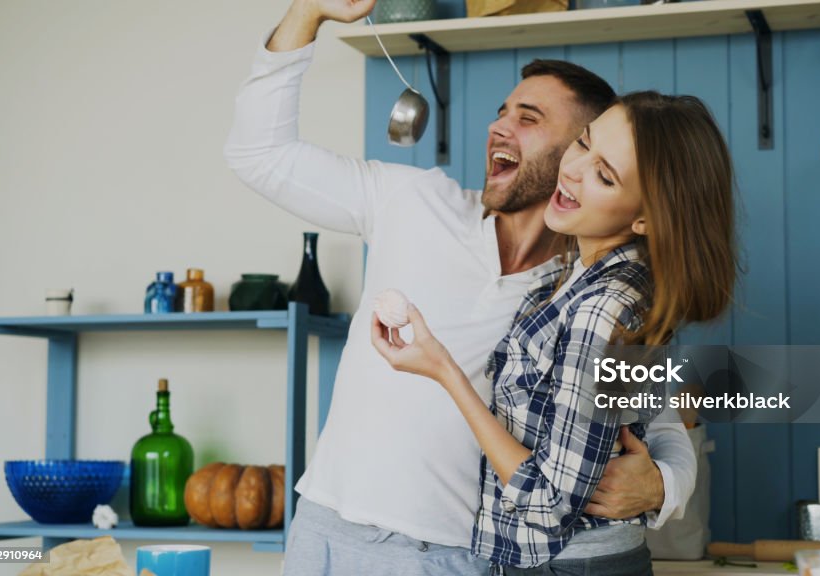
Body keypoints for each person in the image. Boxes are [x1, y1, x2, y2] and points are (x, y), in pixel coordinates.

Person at [223, 0, 698, 572]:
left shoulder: (585, 287)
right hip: (325, 532)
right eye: (503, 111)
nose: (499, 124)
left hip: (457, 558)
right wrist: (309, 13)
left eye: (530, 119)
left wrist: (663, 487)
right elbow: (258, 155)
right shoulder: (412, 200)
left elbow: (664, 417)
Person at [371, 92, 736, 574]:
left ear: (644, 217)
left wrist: (443, 370)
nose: (574, 170)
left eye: (605, 175)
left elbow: (547, 505)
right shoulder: (573, 278)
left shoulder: (603, 310)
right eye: (582, 144)